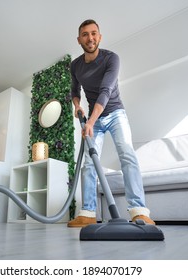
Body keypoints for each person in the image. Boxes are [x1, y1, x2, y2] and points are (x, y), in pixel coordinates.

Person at [68, 19, 155, 227]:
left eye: (94, 33)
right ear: (79, 39)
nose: (90, 38)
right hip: (92, 118)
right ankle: (88, 213)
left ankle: (139, 211)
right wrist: (77, 105)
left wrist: (90, 121)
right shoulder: (76, 65)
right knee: (89, 163)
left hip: (115, 113)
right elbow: (74, 90)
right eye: (86, 34)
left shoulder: (111, 59)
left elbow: (105, 91)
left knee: (126, 153)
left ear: (100, 36)